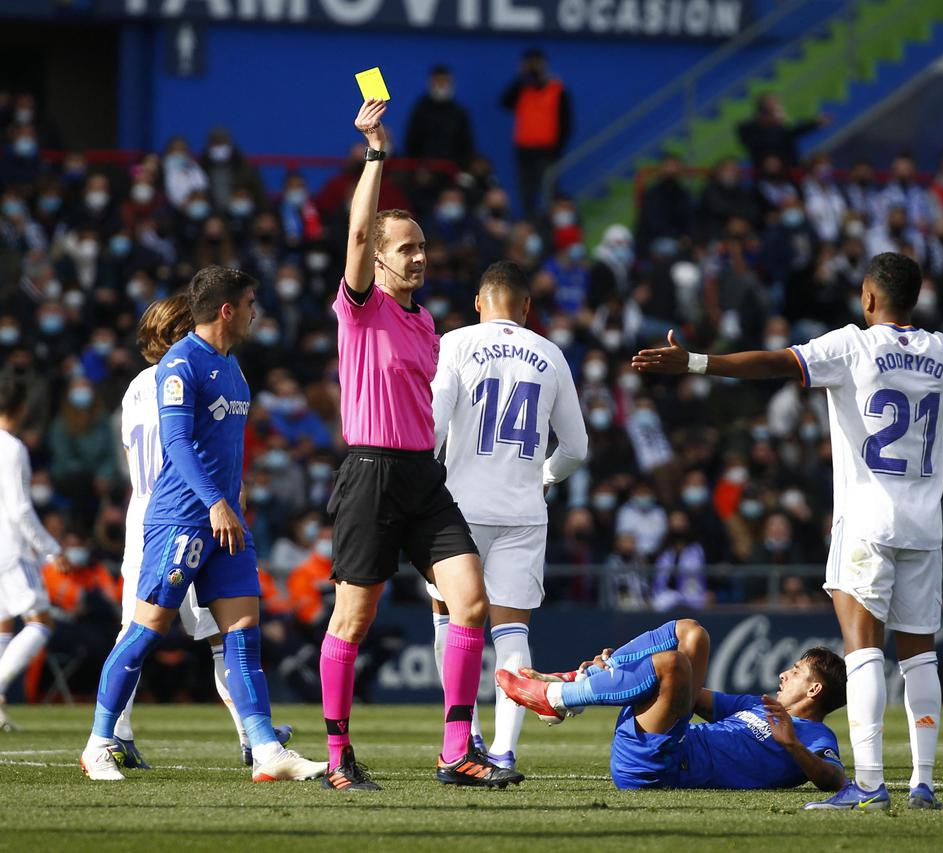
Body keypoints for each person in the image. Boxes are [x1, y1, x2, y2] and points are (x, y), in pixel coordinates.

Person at [631, 252, 943, 811]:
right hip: (923, 527)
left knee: (863, 654)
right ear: (915, 299)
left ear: (867, 298)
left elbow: (770, 364)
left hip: (866, 523)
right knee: (920, 658)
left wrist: (693, 362)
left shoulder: (850, 345)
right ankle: (923, 784)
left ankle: (869, 785)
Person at [320, 98, 522, 792]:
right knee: (355, 616)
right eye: (406, 248)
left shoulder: (426, 320)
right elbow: (353, 232)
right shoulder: (361, 307)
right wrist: (376, 156)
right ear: (376, 260)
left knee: (470, 601)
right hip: (370, 472)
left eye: (422, 247)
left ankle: (456, 749)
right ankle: (338, 754)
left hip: (421, 475)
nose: (419, 257)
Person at [79, 267, 325, 783]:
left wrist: (229, 503)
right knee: (147, 630)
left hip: (226, 524)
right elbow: (176, 445)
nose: (259, 311)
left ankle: (264, 749)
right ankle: (100, 742)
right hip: (180, 518)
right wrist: (215, 500)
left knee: (241, 633)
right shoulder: (180, 365)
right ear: (227, 309)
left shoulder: (232, 367)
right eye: (252, 302)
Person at [110, 295, 291, 770]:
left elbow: (134, 457)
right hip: (189, 514)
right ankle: (254, 736)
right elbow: (196, 448)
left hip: (145, 511)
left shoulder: (134, 387)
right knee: (219, 635)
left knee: (138, 627)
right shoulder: (192, 374)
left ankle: (115, 732)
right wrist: (226, 496)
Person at [423, 259, 588, 771]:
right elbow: (577, 447)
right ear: (527, 307)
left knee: (449, 619)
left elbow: (429, 427)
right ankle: (505, 749)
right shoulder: (550, 353)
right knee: (512, 632)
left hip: (457, 510)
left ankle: (464, 735)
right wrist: (544, 477)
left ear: (478, 303)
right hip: (522, 511)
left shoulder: (455, 343)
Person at [497, 619, 847, 793]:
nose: (784, 674)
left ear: (814, 689)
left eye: (797, 672)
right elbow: (686, 696)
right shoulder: (757, 704)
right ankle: (581, 681)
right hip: (665, 739)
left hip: (660, 766)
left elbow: (834, 779)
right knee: (693, 634)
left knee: (673, 664)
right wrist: (623, 669)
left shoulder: (816, 735)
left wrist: (792, 746)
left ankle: (557, 698)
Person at [0, 376, 68, 732]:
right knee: (41, 622)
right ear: (21, 408)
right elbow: (20, 510)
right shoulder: (12, 448)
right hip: (10, 550)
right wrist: (51, 548)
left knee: (4, 624)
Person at [500, 49, 572, 216]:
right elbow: (504, 102)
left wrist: (557, 150)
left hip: (547, 152)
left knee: (550, 191)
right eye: (529, 64)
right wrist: (520, 77)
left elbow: (566, 123)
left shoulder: (557, 89)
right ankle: (530, 226)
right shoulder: (522, 88)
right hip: (524, 151)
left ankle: (551, 227)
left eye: (536, 63)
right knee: (527, 194)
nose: (533, 68)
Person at [404, 65, 476, 170]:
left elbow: (467, 144)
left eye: (445, 81)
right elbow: (412, 141)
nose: (441, 85)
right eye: (438, 81)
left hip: (453, 169)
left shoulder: (459, 112)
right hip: (424, 170)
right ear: (431, 82)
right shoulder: (420, 110)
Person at [736, 93, 829, 172]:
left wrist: (815, 124)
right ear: (762, 110)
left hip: (792, 169)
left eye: (777, 104)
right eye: (772, 105)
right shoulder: (747, 128)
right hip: (770, 175)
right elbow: (759, 145)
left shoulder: (778, 126)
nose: (777, 107)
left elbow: (793, 132)